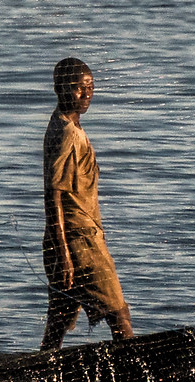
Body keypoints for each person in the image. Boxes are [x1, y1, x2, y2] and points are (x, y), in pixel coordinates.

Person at [41, 56, 135, 350]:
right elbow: (53, 194)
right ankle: (137, 381)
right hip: (78, 242)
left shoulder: (66, 124)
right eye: (79, 88)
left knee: (57, 325)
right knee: (119, 314)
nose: (87, 94)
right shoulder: (67, 133)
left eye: (91, 87)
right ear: (61, 89)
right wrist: (65, 254)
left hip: (71, 240)